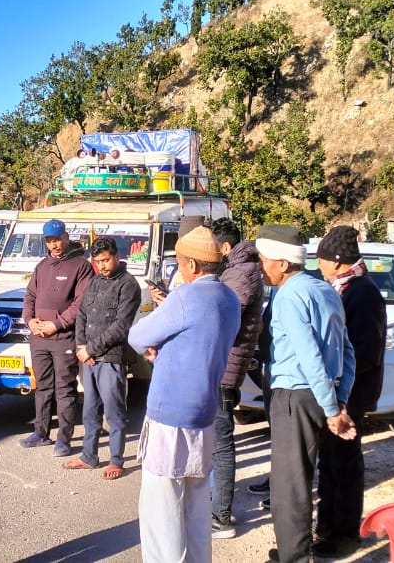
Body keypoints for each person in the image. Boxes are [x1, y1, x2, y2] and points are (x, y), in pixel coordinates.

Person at [127, 226, 240, 563]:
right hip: (204, 410)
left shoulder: (185, 297)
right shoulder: (229, 298)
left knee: (162, 512)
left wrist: (155, 347)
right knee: (196, 507)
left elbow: (138, 335)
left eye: (178, 261)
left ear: (191, 264)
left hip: (170, 413)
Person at [254, 224, 357, 563]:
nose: (260, 267)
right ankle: (292, 549)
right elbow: (346, 351)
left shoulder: (289, 295)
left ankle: (295, 556)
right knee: (300, 478)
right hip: (317, 395)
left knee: (289, 486)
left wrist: (333, 409)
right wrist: (338, 400)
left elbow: (308, 355)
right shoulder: (325, 289)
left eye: (264, 260)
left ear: (283, 263)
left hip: (294, 395)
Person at [313, 225, 387, 558]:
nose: (319, 265)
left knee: (344, 464)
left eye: (322, 259)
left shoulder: (363, 293)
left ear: (337, 261)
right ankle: (327, 525)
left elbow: (367, 352)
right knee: (329, 462)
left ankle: (345, 534)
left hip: (352, 394)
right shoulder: (341, 287)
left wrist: (339, 377)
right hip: (338, 392)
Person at [62, 237, 141, 480]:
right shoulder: (94, 281)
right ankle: (89, 455)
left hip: (111, 358)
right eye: (97, 262)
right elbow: (82, 314)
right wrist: (81, 347)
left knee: (114, 412)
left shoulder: (128, 285)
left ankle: (116, 460)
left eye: (105, 260)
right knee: (89, 410)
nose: (102, 266)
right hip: (89, 358)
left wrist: (91, 349)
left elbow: (121, 326)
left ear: (117, 256)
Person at [207, 218, 265, 540]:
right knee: (218, 440)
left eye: (212, 247)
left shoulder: (241, 273)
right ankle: (216, 505)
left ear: (226, 247)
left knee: (221, 443)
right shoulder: (238, 269)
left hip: (226, 365)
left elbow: (222, 314)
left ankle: (222, 516)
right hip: (226, 362)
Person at [19, 219, 94, 457]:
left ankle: (64, 439)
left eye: (57, 239)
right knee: (42, 387)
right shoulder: (42, 266)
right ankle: (40, 433)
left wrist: (57, 324)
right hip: (39, 338)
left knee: (64, 388)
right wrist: (30, 320)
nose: (54, 245)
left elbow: (81, 303)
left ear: (66, 237)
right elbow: (30, 296)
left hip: (64, 338)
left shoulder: (81, 266)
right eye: (49, 241)